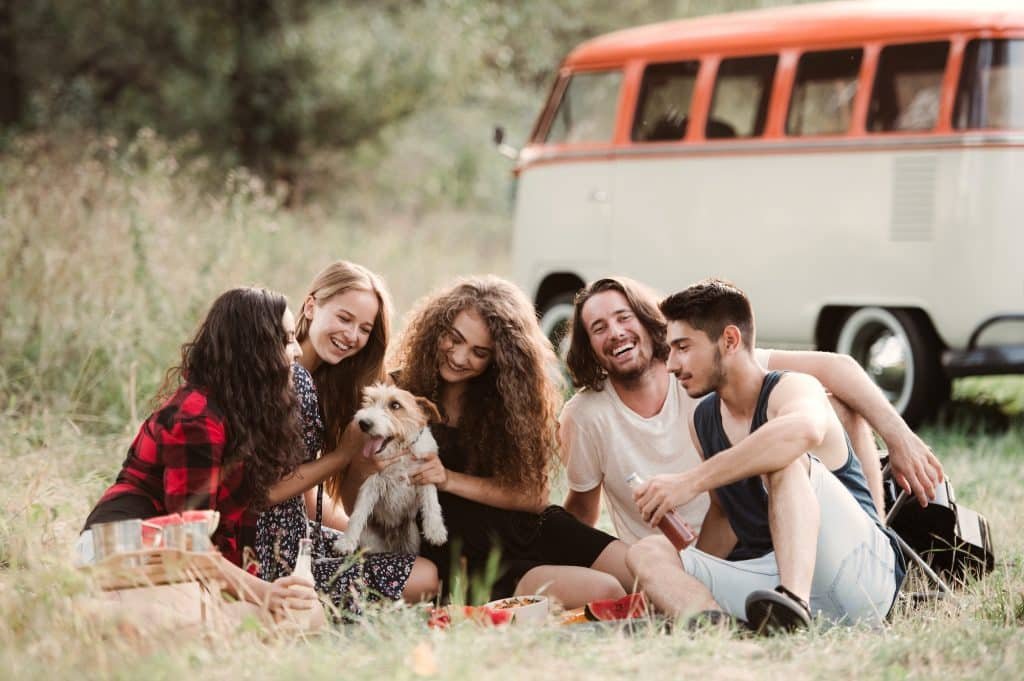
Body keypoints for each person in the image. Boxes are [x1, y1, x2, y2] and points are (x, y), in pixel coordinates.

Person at [560, 276, 944, 545]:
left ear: (646, 322)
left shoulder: (701, 366)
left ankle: (874, 537)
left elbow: (839, 367)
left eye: (623, 317)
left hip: (750, 535)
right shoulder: (584, 416)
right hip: (673, 556)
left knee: (838, 405)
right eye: (598, 328)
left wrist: (900, 437)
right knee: (649, 559)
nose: (615, 332)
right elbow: (581, 511)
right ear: (589, 346)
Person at [628, 278, 907, 629]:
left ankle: (793, 604)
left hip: (860, 575)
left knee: (786, 462)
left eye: (682, 347)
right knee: (646, 552)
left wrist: (689, 482)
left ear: (729, 340)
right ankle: (714, 628)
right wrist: (685, 578)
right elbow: (725, 516)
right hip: (767, 580)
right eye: (670, 350)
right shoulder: (702, 419)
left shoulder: (793, 387)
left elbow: (802, 431)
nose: (670, 364)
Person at [342, 275, 632, 607]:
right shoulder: (396, 396)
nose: (461, 357)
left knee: (641, 570)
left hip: (532, 528)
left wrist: (448, 479)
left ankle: (702, 614)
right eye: (454, 339)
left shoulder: (508, 398)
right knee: (607, 592)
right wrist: (362, 465)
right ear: (437, 328)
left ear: (499, 357)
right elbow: (359, 504)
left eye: (479, 352)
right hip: (471, 556)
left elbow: (534, 496)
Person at [78, 287, 323, 627]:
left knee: (309, 615)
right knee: (203, 621)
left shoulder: (248, 413)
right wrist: (263, 592)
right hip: (124, 544)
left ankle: (204, 621)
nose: (296, 350)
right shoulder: (197, 417)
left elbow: (224, 536)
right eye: (286, 340)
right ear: (255, 351)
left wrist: (263, 589)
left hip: (183, 562)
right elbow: (187, 540)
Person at [255, 261, 439, 614]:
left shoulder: (325, 383)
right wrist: (340, 456)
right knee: (425, 576)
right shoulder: (284, 380)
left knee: (415, 563)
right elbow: (263, 492)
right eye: (344, 318)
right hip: (270, 551)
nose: (352, 335)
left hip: (296, 533)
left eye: (364, 328)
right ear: (311, 306)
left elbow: (306, 494)